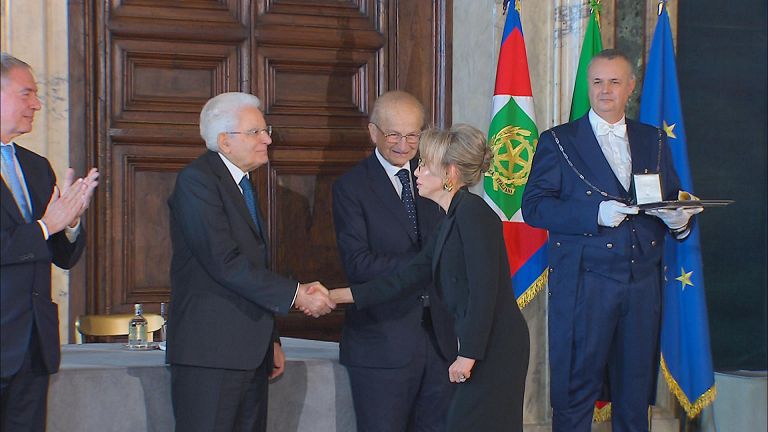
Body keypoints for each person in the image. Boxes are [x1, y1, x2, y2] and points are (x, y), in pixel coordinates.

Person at [521, 49, 702, 432]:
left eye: (615, 81)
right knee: (575, 393)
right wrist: (594, 214)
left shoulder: (651, 138)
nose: (605, 90)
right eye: (598, 82)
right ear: (588, 85)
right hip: (585, 285)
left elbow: (669, 197)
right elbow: (534, 208)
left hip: (641, 286)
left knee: (634, 397)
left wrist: (678, 221)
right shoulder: (559, 141)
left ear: (631, 87)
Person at [330, 124, 530, 432]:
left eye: (424, 165)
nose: (416, 171)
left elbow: (484, 290)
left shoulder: (474, 215)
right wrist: (338, 296)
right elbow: (408, 276)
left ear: (449, 174)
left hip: (494, 347)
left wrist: (468, 354)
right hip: (479, 345)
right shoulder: (450, 218)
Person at [166, 91, 335, 432]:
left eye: (264, 130)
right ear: (224, 141)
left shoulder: (241, 183)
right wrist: (297, 294)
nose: (267, 139)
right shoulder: (197, 181)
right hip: (211, 355)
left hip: (248, 352)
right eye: (256, 132)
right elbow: (224, 262)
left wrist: (270, 338)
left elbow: (254, 267)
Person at [331, 90, 454, 432]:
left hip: (440, 342)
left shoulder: (437, 178)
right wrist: (428, 263)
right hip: (382, 346)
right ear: (373, 133)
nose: (404, 144)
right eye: (394, 134)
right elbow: (359, 264)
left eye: (413, 134)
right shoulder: (351, 187)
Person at [1, 52, 99, 431]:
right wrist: (45, 226)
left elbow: (63, 255)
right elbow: (33, 234)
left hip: (32, 346)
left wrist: (70, 225)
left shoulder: (37, 166)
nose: (37, 104)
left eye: (37, 95)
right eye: (27, 93)